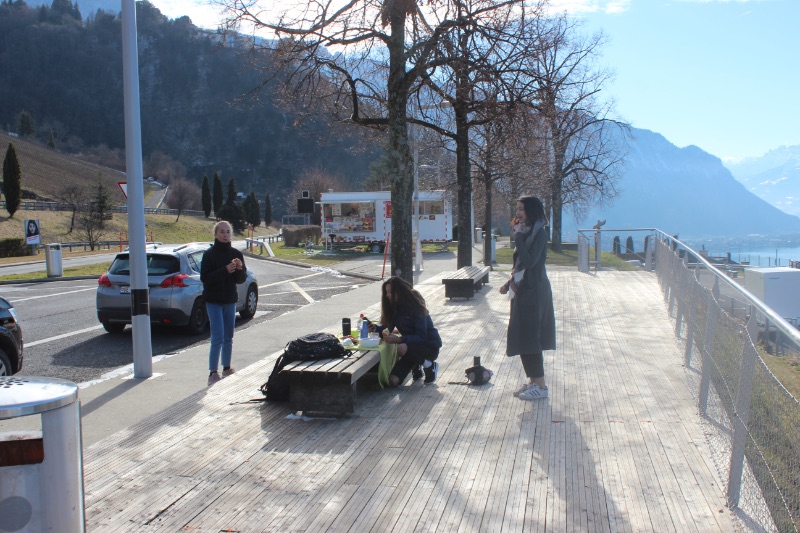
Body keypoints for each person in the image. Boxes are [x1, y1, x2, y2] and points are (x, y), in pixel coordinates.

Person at [499, 196, 556, 400]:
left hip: (535, 292)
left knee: (531, 337)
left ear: (532, 211)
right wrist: (509, 283)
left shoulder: (538, 233)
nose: (518, 213)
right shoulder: (525, 231)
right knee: (522, 336)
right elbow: (520, 265)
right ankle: (532, 381)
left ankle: (540, 385)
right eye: (517, 208)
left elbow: (530, 261)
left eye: (522, 209)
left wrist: (518, 238)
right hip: (522, 290)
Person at [373, 276, 442, 387]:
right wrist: (373, 327)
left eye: (390, 292)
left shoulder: (416, 308)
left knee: (401, 347)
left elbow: (422, 337)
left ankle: (429, 365)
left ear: (399, 292)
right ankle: (416, 365)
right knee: (392, 381)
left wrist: (400, 339)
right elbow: (386, 329)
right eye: (386, 292)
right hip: (409, 349)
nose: (387, 295)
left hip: (428, 347)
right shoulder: (394, 309)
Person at [201, 221, 246, 385]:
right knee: (217, 336)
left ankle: (227, 367)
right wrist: (225, 270)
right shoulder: (209, 254)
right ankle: (213, 372)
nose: (225, 235)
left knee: (229, 336)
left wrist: (239, 269)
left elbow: (240, 280)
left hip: (229, 299)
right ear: (215, 234)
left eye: (228, 232)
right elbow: (205, 278)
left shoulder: (236, 254)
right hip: (214, 300)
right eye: (222, 231)